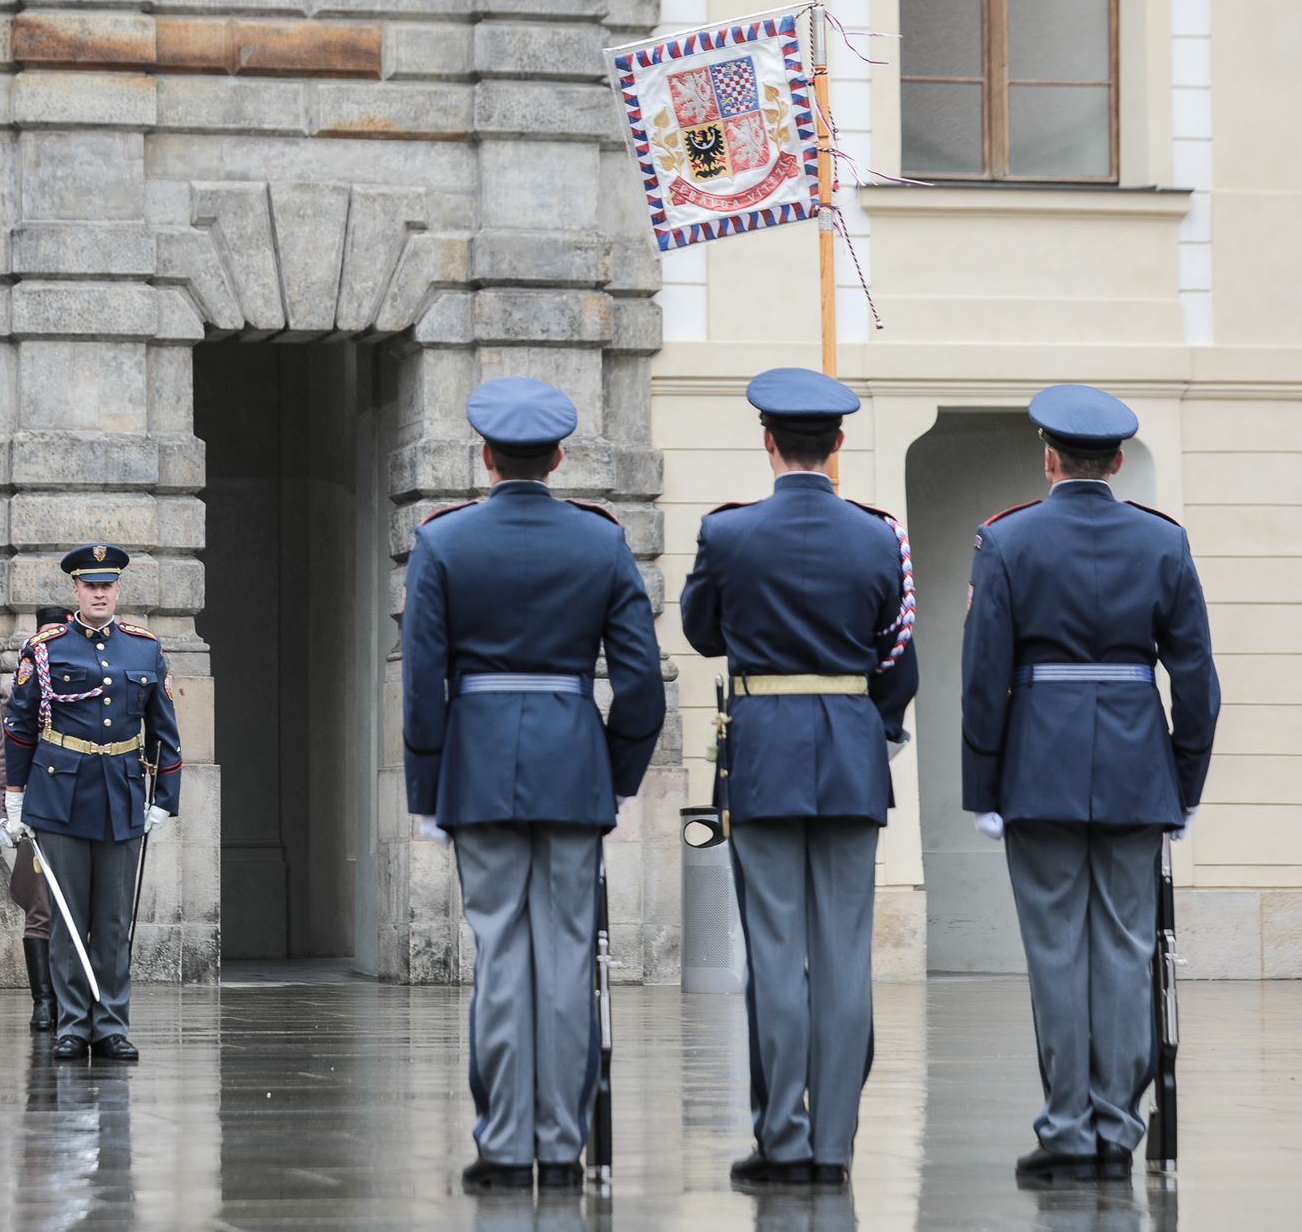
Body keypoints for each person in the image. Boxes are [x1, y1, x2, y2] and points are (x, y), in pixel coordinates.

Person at [402, 376, 666, 1194]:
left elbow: (420, 682)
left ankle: (505, 1142)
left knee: (501, 957)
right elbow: (640, 686)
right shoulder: (601, 543)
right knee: (565, 956)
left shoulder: (443, 543)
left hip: (477, 771)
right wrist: (613, 776)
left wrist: (426, 790)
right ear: (557, 458)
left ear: (484, 458)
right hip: (571, 767)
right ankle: (560, 1141)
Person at [961, 385, 1221, 1183]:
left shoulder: (1006, 541)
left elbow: (983, 676)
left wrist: (983, 787)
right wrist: (1182, 783)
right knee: (1124, 949)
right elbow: (1196, 681)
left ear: (1048, 458)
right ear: (1115, 462)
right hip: (1137, 770)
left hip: (1037, 766)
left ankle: (1068, 1126)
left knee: (1055, 952)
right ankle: (1115, 1123)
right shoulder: (1162, 543)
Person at [678, 368, 920, 1188]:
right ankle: (834, 1146)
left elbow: (701, 631)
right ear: (838, 446)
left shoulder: (728, 533)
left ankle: (781, 1137)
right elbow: (898, 659)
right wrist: (865, 724)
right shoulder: (880, 535)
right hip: (850, 751)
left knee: (776, 955)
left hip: (765, 751)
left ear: (768, 441)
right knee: (844, 955)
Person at [0, 545, 183, 1062]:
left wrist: (165, 798)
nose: (100, 593)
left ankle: (111, 1025)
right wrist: (15, 799)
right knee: (66, 916)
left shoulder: (144, 649)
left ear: (118, 590)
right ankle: (72, 1024)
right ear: (75, 591)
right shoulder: (46, 648)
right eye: (90, 585)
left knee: (112, 920)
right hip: (59, 794)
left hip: (121, 793)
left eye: (108, 585)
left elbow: (164, 729)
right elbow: (18, 726)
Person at [0, 604, 70, 1035]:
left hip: (80, 809)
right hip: (36, 811)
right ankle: (44, 1003)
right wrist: (4, 812)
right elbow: (4, 757)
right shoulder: (19, 691)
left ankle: (74, 1000)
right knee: (40, 907)